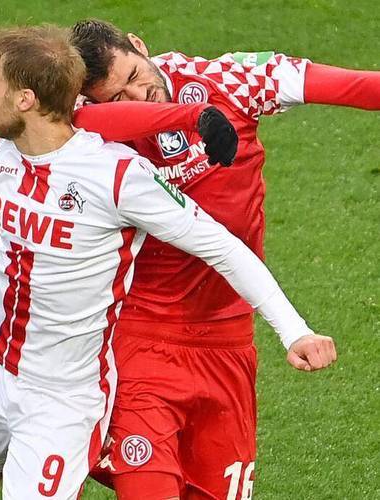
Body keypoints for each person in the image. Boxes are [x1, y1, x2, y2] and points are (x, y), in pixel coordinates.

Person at [0, 25, 322, 500]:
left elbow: (222, 247)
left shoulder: (117, 176)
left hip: (62, 398)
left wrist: (295, 331)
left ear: (25, 99)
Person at [70, 19, 370, 499]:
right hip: (141, 339)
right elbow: (43, 127)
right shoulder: (85, 122)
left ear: (139, 46)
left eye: (134, 76)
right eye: (117, 97)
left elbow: (351, 86)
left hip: (228, 343)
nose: (138, 96)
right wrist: (183, 118)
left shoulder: (228, 80)